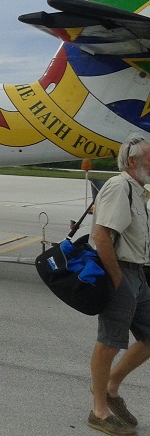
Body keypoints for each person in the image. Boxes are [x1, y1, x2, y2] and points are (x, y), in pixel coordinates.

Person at [88, 135, 150, 436]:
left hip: (138, 274)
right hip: (120, 272)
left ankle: (110, 387)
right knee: (110, 342)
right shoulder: (119, 186)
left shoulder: (139, 191)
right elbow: (101, 236)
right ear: (133, 161)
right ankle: (99, 412)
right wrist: (117, 279)